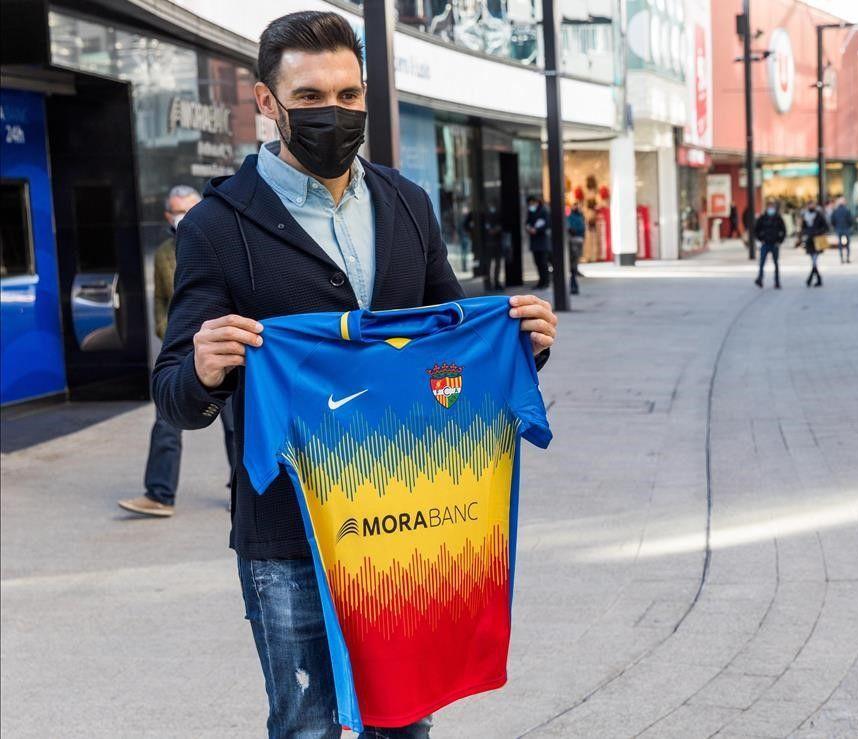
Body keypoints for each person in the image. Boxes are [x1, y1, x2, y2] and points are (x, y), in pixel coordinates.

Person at [150, 12, 558, 737]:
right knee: (305, 724)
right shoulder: (218, 225)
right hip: (288, 534)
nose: (331, 113)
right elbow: (174, 391)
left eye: (347, 94)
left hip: (404, 520)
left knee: (403, 721)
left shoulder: (407, 203)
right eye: (308, 97)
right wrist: (205, 371)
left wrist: (521, 343)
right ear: (266, 101)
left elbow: (454, 331)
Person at [118, 186, 237, 518]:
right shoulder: (164, 254)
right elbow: (161, 301)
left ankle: (242, 490)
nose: (183, 216)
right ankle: (159, 494)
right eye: (177, 210)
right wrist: (165, 330)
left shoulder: (221, 244)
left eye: (190, 208)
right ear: (168, 216)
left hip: (224, 351)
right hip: (182, 350)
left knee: (234, 425)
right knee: (166, 420)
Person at [753, 199, 786, 289]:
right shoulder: (762, 218)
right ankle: (760, 279)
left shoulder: (778, 218)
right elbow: (756, 230)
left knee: (775, 263)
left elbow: (783, 230)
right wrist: (760, 239)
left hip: (775, 244)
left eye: (772, 207)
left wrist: (780, 241)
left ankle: (777, 281)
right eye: (769, 207)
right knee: (762, 262)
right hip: (765, 243)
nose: (771, 209)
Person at [799, 201, 830, 287]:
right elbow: (802, 228)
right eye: (809, 204)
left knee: (814, 260)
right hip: (809, 240)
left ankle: (811, 279)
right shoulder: (805, 216)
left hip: (818, 240)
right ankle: (818, 279)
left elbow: (826, 227)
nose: (810, 206)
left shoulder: (819, 215)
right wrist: (806, 233)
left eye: (812, 204)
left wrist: (818, 232)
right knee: (813, 260)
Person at [525, 195, 551, 289]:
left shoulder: (544, 211)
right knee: (537, 263)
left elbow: (547, 224)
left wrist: (537, 230)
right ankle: (541, 281)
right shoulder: (531, 212)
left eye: (532, 203)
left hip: (542, 242)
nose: (531, 205)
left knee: (543, 262)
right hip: (534, 242)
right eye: (529, 203)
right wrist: (528, 228)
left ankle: (546, 282)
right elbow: (527, 223)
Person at [482, 201, 505, 291]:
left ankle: (496, 282)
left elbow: (502, 226)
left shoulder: (499, 215)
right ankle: (488, 283)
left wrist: (497, 230)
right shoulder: (484, 216)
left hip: (497, 243)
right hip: (487, 244)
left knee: (497, 264)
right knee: (488, 264)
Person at [566, 203, 586, 295]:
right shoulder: (571, 217)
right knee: (573, 263)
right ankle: (573, 285)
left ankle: (574, 284)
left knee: (574, 262)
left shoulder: (579, 216)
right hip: (573, 241)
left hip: (577, 240)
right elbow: (570, 228)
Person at [830, 197, 854, 263]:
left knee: (840, 244)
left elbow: (832, 220)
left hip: (839, 228)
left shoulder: (836, 210)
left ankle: (841, 258)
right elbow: (850, 220)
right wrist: (849, 226)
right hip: (846, 228)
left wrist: (835, 226)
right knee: (847, 244)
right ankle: (847, 258)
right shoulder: (847, 210)